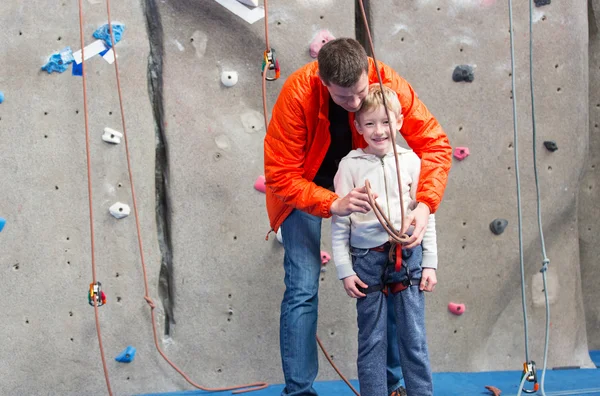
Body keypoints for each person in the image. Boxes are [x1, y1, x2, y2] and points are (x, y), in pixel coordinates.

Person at [264, 37, 451, 396]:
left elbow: (434, 144)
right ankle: (299, 391)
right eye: (341, 98)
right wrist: (332, 203)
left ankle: (393, 384)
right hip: (304, 189)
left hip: (364, 187)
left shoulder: (386, 82)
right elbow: (280, 175)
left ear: (368, 73)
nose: (353, 106)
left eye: (359, 94)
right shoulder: (296, 93)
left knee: (394, 276)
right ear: (323, 82)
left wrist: (426, 204)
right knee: (302, 287)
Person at [332, 83, 438, 396]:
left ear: (400, 121)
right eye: (370, 123)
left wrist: (430, 262)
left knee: (413, 336)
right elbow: (341, 223)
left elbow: (425, 215)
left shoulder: (412, 162)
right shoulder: (349, 166)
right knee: (372, 340)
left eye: (386, 122)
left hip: (408, 255)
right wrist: (345, 269)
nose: (379, 131)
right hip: (367, 260)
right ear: (357, 126)